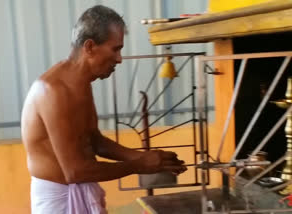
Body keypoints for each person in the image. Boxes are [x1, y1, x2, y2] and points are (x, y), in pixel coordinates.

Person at [21, 5, 187, 214]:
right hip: (60, 200)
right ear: (90, 47)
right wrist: (139, 165)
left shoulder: (80, 83)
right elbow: (75, 171)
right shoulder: (54, 90)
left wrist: (145, 158)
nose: (119, 59)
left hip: (79, 188)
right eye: (115, 49)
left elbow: (94, 141)